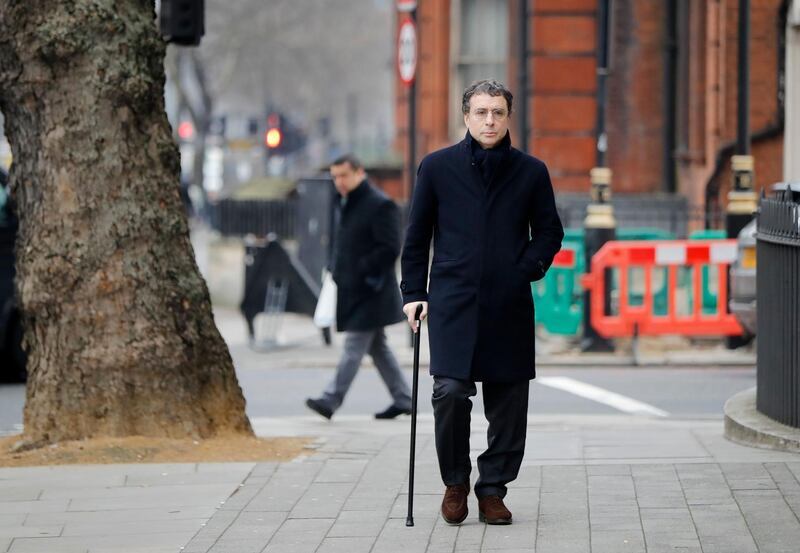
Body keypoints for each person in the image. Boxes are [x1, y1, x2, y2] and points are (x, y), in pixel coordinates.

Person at [400, 80, 564, 525]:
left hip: (508, 303)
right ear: (466, 117)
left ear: (508, 117)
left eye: (497, 112)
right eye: (480, 112)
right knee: (449, 393)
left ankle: (493, 488)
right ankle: (455, 482)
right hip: (452, 301)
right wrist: (413, 293)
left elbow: (550, 232)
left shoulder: (531, 172)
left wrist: (524, 267)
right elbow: (416, 237)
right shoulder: (436, 168)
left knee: (509, 402)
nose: (489, 120)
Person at [306, 155, 413, 420]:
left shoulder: (379, 204)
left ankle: (330, 400)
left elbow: (390, 247)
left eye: (343, 175)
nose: (339, 182)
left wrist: (361, 271)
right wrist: (336, 267)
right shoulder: (346, 202)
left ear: (359, 173)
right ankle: (404, 398)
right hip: (354, 289)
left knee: (354, 347)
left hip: (371, 291)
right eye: (335, 176)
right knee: (378, 348)